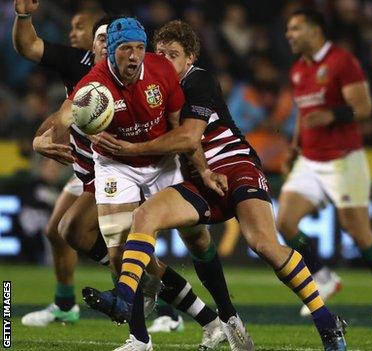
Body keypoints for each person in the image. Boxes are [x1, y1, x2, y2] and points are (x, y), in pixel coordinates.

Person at [82, 19, 347, 351]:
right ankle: (129, 298)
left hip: (236, 167)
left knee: (262, 243)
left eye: (173, 54)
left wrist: (134, 149)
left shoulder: (200, 80)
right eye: (160, 53)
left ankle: (326, 322)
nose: (164, 60)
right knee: (145, 217)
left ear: (191, 58)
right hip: (199, 178)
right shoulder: (152, 87)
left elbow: (189, 137)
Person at [39, 17, 235, 351]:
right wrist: (39, 139)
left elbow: (182, 131)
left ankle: (223, 318)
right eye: (126, 49)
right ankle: (140, 339)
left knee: (199, 240)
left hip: (161, 162)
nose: (134, 56)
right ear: (112, 51)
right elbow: (65, 113)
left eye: (139, 48)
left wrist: (201, 169)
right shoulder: (95, 84)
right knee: (119, 254)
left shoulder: (160, 71)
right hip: (117, 166)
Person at [277, 8, 372, 319]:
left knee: (357, 230)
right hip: (309, 159)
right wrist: (294, 149)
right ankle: (323, 278)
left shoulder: (341, 62)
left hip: (343, 159)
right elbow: (303, 114)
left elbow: (363, 107)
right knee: (284, 222)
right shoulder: (298, 69)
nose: (289, 35)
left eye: (295, 28)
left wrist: (332, 115)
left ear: (315, 30)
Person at [13, 0, 108, 326]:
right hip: (86, 163)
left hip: (122, 163)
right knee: (56, 230)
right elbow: (29, 46)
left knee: (122, 236)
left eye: (79, 27)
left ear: (99, 34)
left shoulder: (121, 65)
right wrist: (24, 15)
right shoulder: (76, 60)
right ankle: (65, 305)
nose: (71, 32)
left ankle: (166, 307)